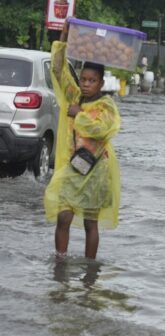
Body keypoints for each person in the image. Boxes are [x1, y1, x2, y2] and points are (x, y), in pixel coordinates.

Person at [44, 21, 121, 260]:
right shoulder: (74, 95)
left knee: (90, 223)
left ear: (101, 83)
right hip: (73, 167)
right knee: (63, 216)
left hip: (97, 170)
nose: (86, 84)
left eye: (92, 80)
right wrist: (63, 39)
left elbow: (101, 130)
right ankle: (60, 261)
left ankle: (90, 271)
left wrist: (79, 114)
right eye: (84, 79)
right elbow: (58, 71)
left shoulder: (106, 105)